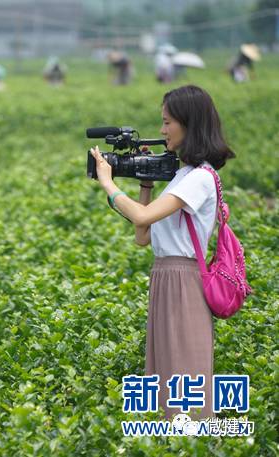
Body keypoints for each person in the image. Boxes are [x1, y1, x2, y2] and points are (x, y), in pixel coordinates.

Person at [89, 85, 236, 420]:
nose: (162, 130)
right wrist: (145, 183)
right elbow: (143, 235)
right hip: (166, 277)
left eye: (168, 122)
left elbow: (141, 217)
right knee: (166, 378)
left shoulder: (199, 178)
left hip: (183, 281)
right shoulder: (182, 175)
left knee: (185, 378)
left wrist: (108, 182)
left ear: (190, 124)